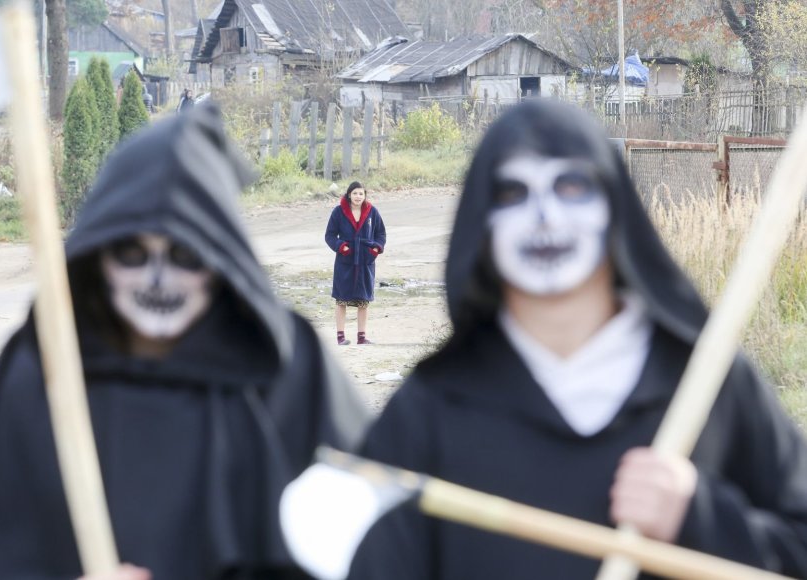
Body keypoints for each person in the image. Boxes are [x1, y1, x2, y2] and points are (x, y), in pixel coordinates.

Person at [346, 100, 807, 578]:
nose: (545, 215)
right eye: (513, 194)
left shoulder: (708, 382)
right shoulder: (430, 411)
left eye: (571, 187)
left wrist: (701, 517)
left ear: (614, 209)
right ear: (481, 226)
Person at [0, 103, 370, 580]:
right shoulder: (41, 369)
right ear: (99, 261)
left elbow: (379, 547)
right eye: (133, 254)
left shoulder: (285, 366)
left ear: (218, 264)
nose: (157, 280)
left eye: (184, 255)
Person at [324, 181, 386, 345]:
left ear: (365, 195)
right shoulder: (338, 212)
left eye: (361, 193)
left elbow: (381, 234)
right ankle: (340, 337)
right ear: (349, 195)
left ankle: (361, 337)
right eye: (355, 193)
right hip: (346, 259)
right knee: (341, 299)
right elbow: (330, 235)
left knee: (364, 301)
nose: (358, 196)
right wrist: (340, 246)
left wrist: (376, 249)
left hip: (366, 260)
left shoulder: (372, 212)